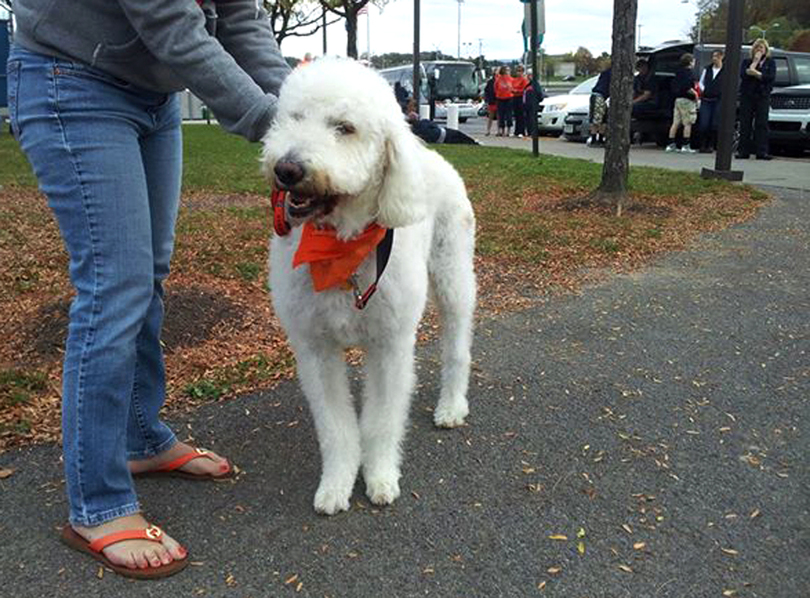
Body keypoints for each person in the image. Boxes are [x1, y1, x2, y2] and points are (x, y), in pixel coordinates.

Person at [7, 0, 291, 579]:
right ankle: (97, 504)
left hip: (154, 94)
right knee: (115, 286)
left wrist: (302, 107)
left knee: (147, 277)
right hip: (70, 78)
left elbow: (240, 17)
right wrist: (282, 130)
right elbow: (171, 24)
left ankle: (139, 438)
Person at [737, 39, 776, 160]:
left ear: (766, 50)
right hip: (747, 95)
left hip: (762, 96)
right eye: (757, 48)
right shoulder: (746, 62)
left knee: (761, 123)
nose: (759, 50)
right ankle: (743, 151)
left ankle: (761, 151)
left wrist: (756, 73)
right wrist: (755, 62)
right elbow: (744, 74)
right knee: (745, 123)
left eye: (762, 48)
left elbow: (769, 77)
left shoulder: (770, 62)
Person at [665, 53, 698, 153]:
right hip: (687, 100)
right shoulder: (690, 73)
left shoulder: (678, 72)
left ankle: (670, 144)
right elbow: (687, 87)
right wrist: (695, 94)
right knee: (688, 122)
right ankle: (686, 145)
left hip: (678, 99)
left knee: (675, 122)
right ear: (690, 62)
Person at [405, 100, 479, 145]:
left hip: (444, 135)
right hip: (444, 134)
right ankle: (474, 143)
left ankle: (474, 143)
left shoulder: (418, 129)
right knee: (460, 137)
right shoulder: (421, 125)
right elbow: (433, 125)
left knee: (460, 137)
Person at [698, 50, 724, 153]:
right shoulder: (707, 69)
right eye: (713, 56)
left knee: (715, 123)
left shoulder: (725, 70)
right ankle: (702, 145)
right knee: (704, 123)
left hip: (718, 99)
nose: (714, 58)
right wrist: (705, 90)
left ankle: (711, 145)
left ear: (722, 57)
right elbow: (701, 82)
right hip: (706, 99)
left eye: (717, 56)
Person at [587, 64, 611, 147]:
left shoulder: (606, 72)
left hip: (602, 96)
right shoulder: (611, 73)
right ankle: (594, 139)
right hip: (599, 95)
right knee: (597, 118)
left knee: (603, 118)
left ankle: (600, 138)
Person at [523, 71, 545, 138]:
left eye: (530, 75)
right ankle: (529, 132)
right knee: (528, 119)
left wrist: (537, 101)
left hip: (533, 104)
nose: (529, 76)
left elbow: (539, 94)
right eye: (528, 75)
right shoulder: (528, 84)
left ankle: (533, 132)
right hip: (527, 105)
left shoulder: (535, 84)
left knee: (532, 118)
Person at [511, 64, 530, 138]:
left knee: (521, 115)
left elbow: (524, 89)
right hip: (515, 97)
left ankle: (522, 131)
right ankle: (516, 131)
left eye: (520, 71)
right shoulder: (514, 80)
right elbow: (512, 87)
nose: (518, 73)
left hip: (521, 97)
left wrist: (517, 90)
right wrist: (513, 90)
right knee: (516, 115)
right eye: (517, 71)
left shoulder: (524, 80)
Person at [494, 65, 514, 137]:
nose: (508, 72)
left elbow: (513, 88)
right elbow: (495, 88)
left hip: (509, 98)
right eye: (507, 70)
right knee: (501, 115)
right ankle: (502, 130)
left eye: (509, 70)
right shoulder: (498, 79)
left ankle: (508, 131)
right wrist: (498, 94)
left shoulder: (511, 79)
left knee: (509, 115)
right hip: (500, 98)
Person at [483, 69, 498, 136]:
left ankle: (499, 130)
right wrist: (487, 99)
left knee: (499, 117)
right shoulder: (490, 82)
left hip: (499, 100)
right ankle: (488, 130)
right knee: (490, 117)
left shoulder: (500, 81)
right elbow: (486, 91)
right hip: (491, 101)